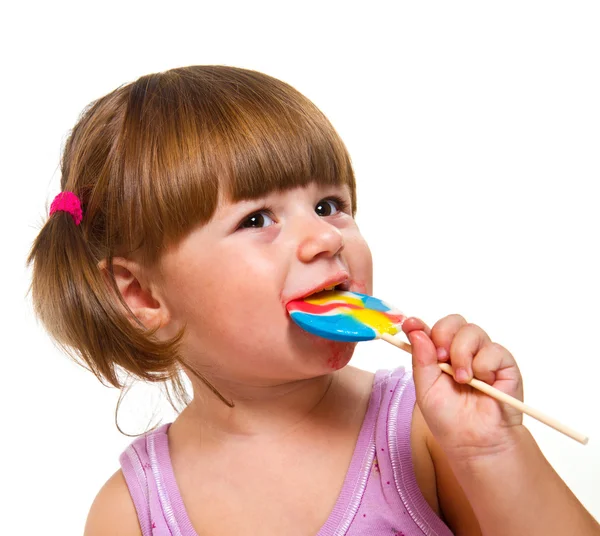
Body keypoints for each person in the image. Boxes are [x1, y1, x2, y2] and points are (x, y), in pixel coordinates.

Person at [28, 65, 599, 536]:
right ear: (142, 295)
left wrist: (490, 452)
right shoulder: (132, 512)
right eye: (257, 219)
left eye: (329, 205)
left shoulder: (422, 432)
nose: (327, 237)